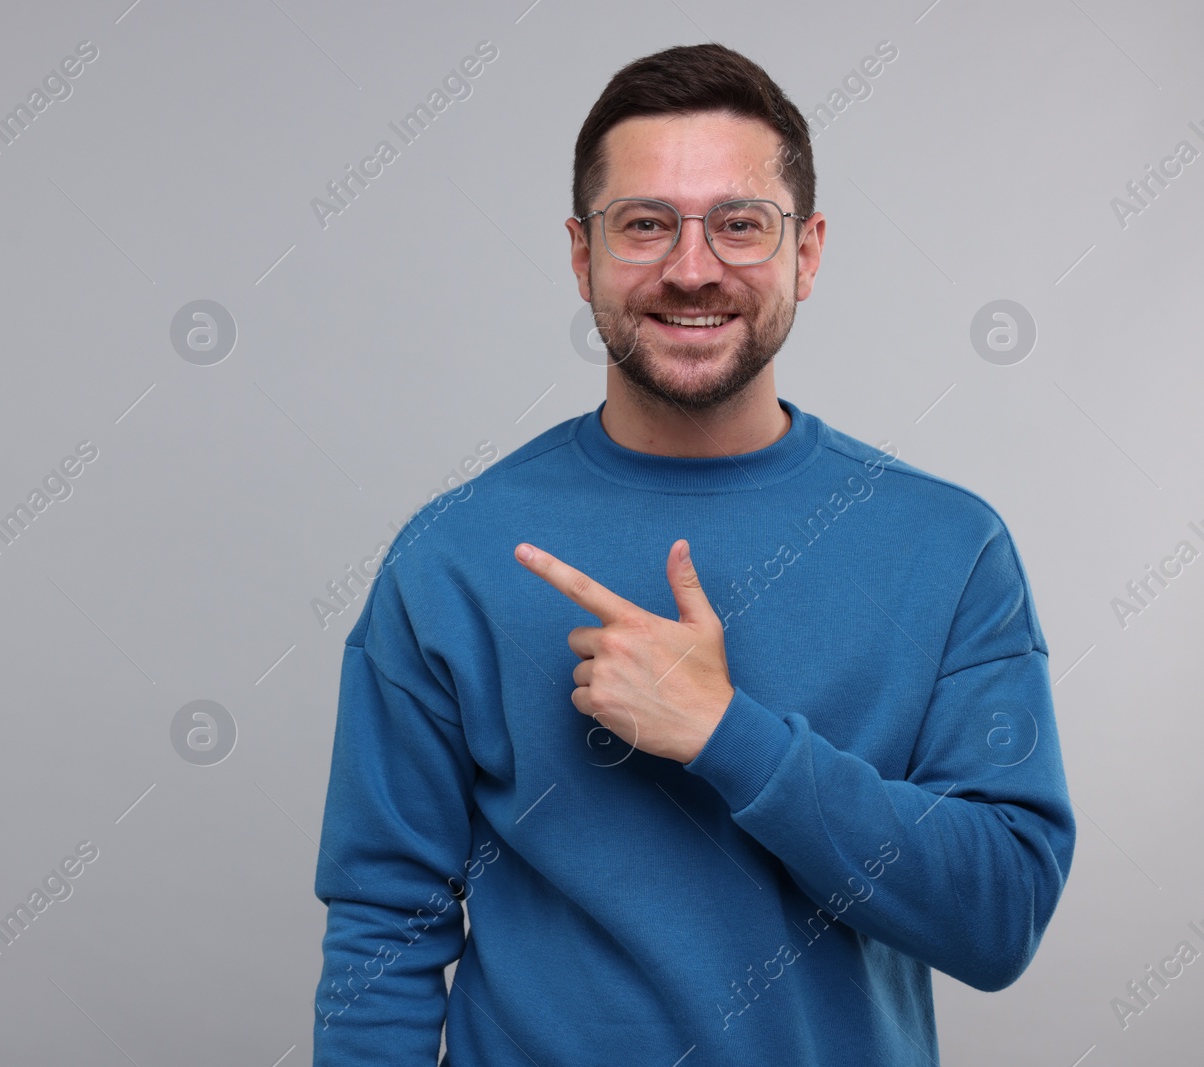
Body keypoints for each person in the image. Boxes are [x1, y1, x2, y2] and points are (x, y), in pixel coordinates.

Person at [311, 42, 1074, 1066]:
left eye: (739, 224)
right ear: (582, 256)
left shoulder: (948, 547)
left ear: (805, 252)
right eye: (644, 225)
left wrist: (726, 731)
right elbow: (381, 932)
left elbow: (998, 916)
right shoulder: (450, 554)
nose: (690, 267)